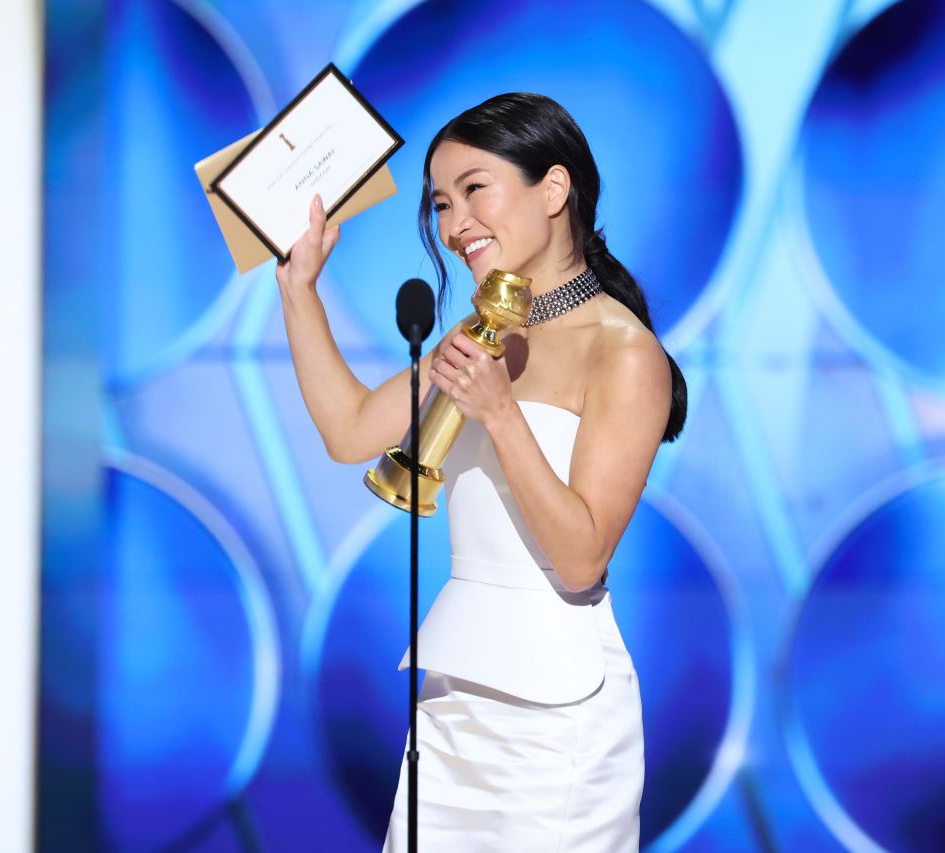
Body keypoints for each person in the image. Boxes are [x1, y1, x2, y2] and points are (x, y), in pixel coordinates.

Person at [274, 92, 686, 851]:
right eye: (439, 202)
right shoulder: (478, 330)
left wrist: (500, 412)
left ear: (553, 190)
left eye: (474, 189)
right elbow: (348, 431)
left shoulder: (624, 352)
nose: (455, 223)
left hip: (557, 717)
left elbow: (580, 555)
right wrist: (299, 291)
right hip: (452, 701)